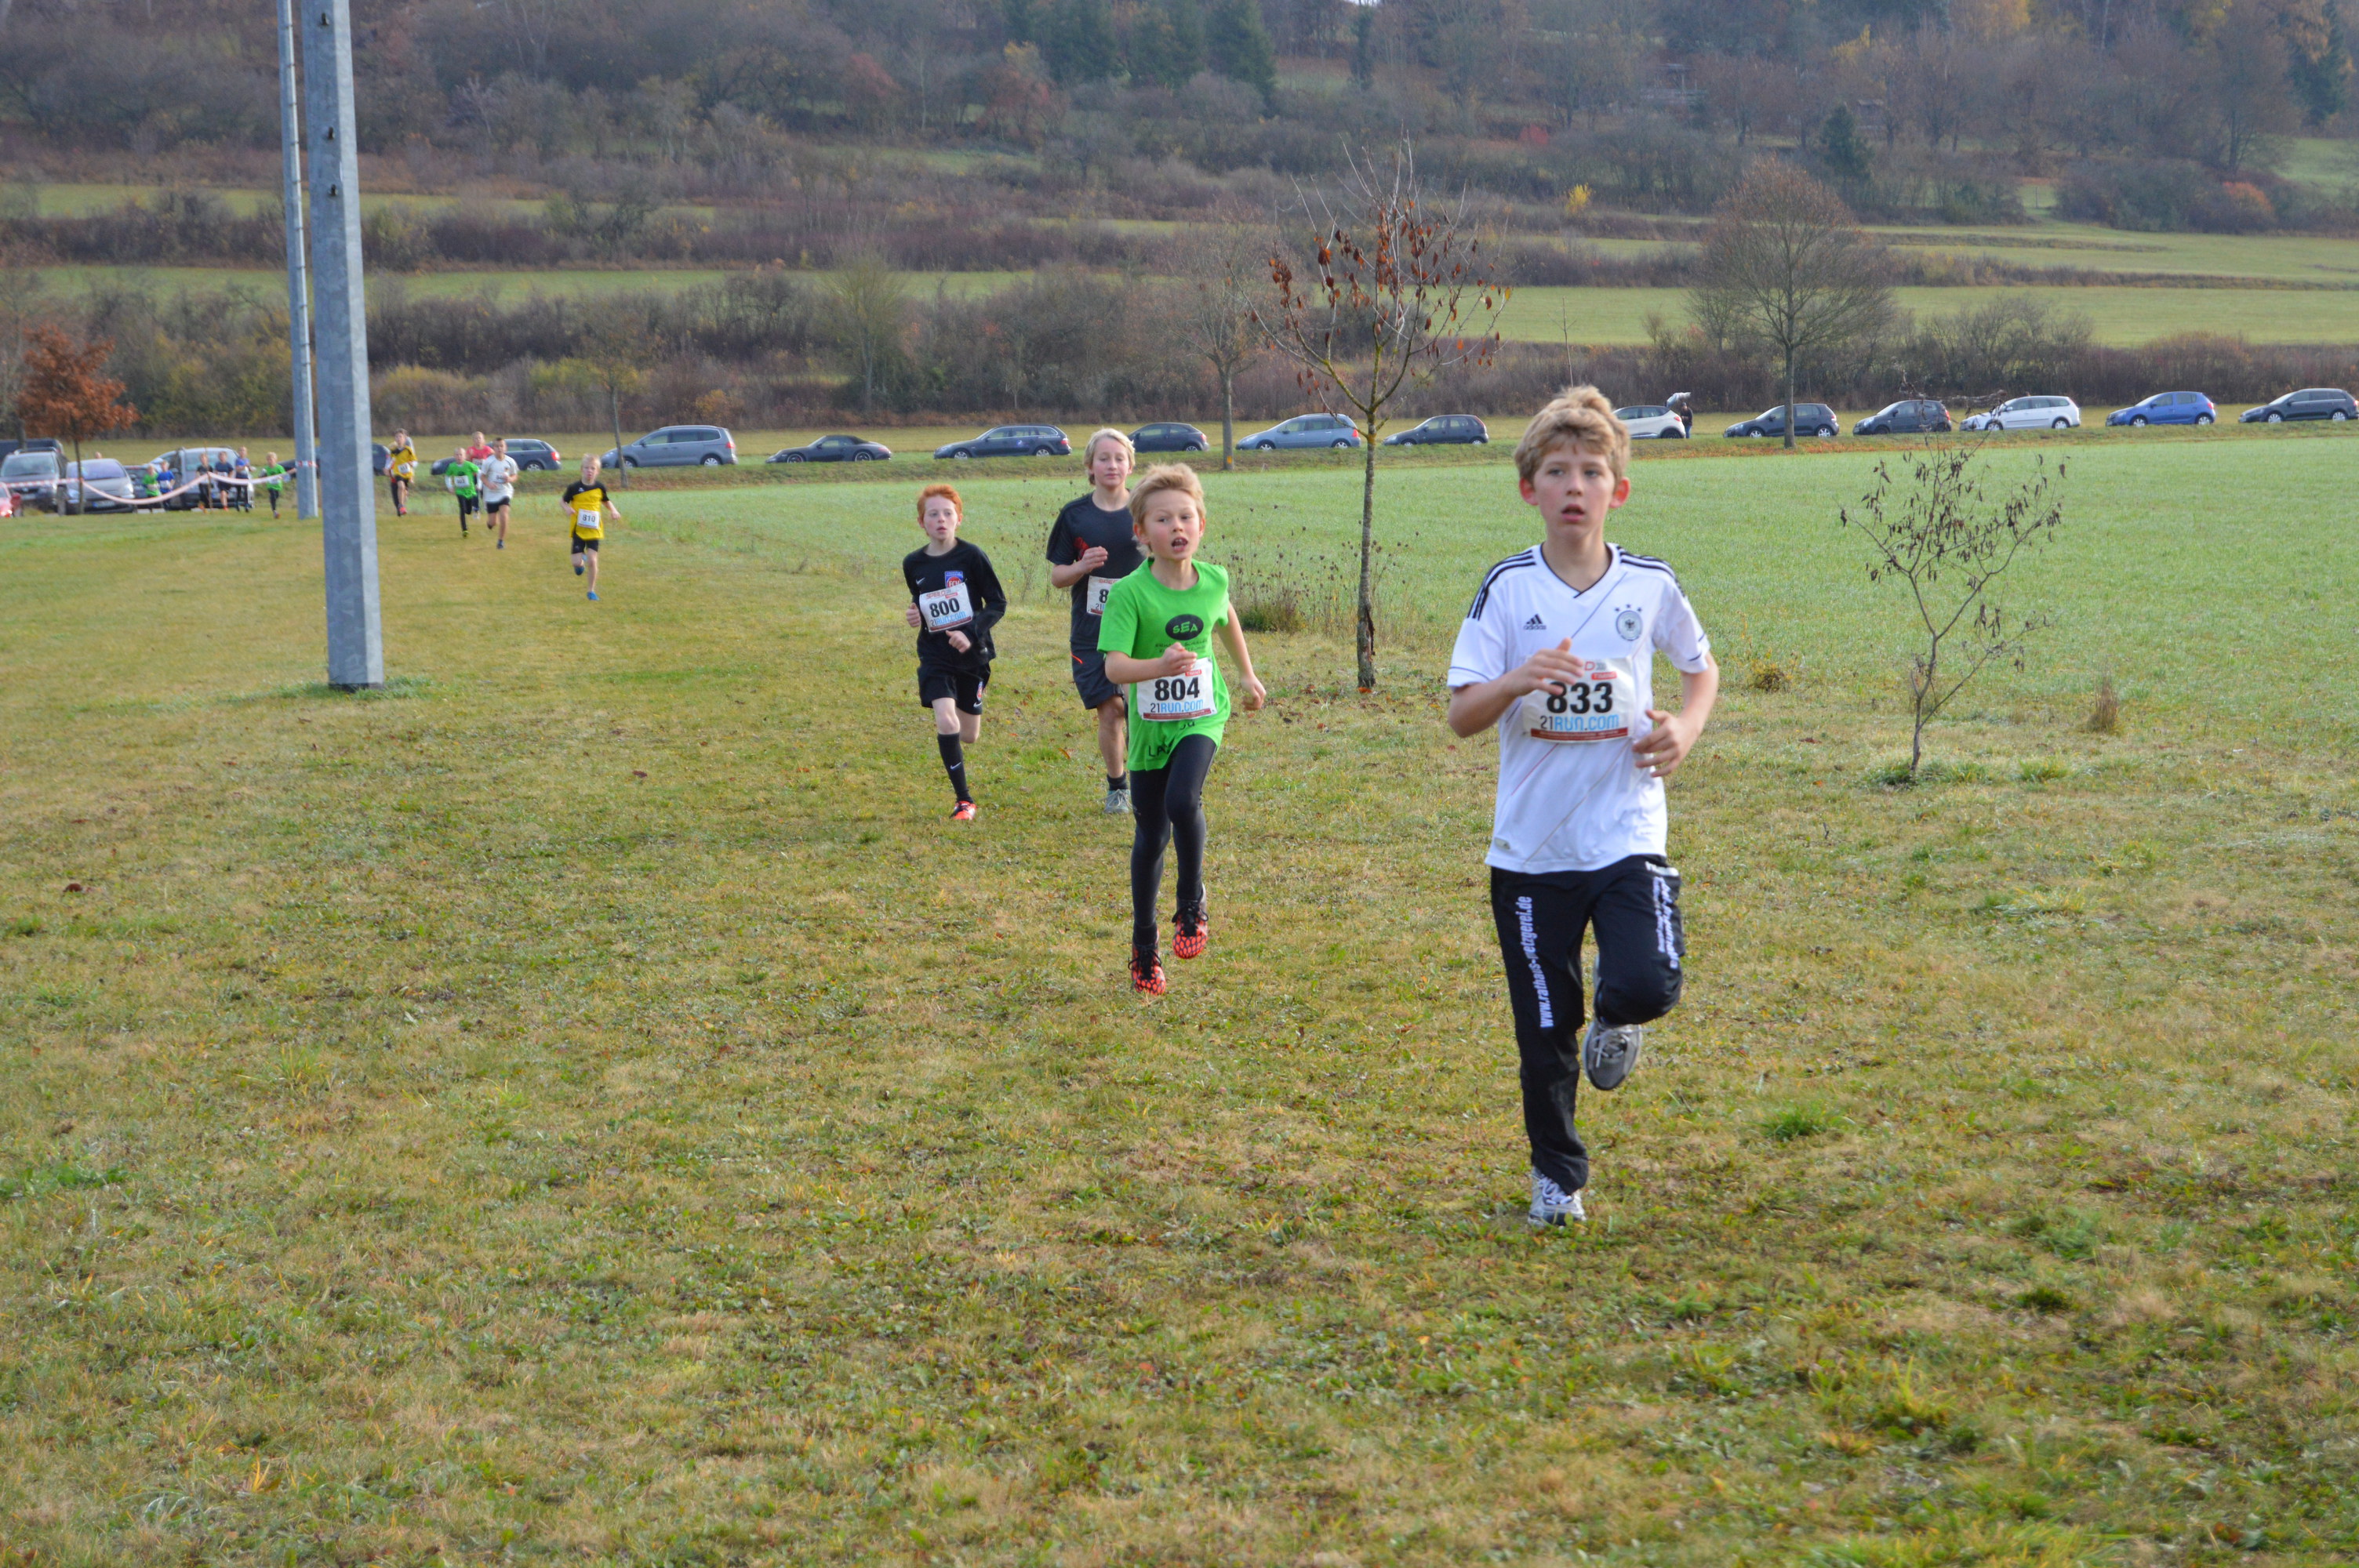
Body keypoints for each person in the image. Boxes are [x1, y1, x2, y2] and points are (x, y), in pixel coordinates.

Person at [1443, 387, 1720, 1229]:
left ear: (1617, 491)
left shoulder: (1649, 584)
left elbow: (1700, 669)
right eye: (1557, 471)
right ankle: (1556, 1179)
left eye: (1592, 471)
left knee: (1647, 980)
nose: (1575, 485)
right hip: (1530, 852)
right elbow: (1461, 715)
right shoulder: (1507, 589)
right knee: (1544, 1028)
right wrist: (1517, 680)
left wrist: (1685, 728)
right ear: (1528, 488)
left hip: (1627, 829)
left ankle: (1619, 1017)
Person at [1099, 464, 1266, 996]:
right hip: (1150, 726)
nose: (1177, 526)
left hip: (1202, 714)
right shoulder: (1130, 594)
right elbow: (1114, 667)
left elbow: (1225, 615)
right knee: (1151, 836)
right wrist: (1159, 666)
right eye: (1163, 518)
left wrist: (1246, 674)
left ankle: (1191, 903)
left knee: (1182, 799)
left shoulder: (1214, 579)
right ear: (1141, 532)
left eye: (1187, 517)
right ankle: (1144, 945)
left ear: (1201, 525)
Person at [1046, 427, 1145, 815]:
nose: (1112, 465)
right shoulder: (1074, 516)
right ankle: (1118, 788)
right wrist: (1081, 567)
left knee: (1138, 710)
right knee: (1111, 709)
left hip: (1140, 629)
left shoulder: (1145, 509)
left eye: (1120, 458)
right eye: (1104, 458)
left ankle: (1149, 781)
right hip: (1092, 631)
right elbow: (1057, 577)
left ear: (1130, 465)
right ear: (1090, 466)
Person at [900, 484, 1005, 822]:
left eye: (948, 513)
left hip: (972, 657)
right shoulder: (912, 563)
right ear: (922, 522)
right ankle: (964, 801)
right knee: (946, 720)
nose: (941, 519)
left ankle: (959, 729)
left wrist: (970, 633)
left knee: (968, 734)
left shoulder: (972, 556)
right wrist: (915, 613)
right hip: (934, 656)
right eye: (933, 514)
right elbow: (921, 600)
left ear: (959, 518)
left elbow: (997, 603)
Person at [561, 454, 620, 601]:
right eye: (587, 468)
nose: (589, 471)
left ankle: (591, 591)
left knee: (593, 561)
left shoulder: (600, 487)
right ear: (582, 469)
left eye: (593, 468)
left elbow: (606, 501)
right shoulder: (574, 488)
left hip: (594, 530)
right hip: (578, 530)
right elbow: (562, 501)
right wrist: (567, 508)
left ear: (597, 471)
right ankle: (580, 564)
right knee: (576, 562)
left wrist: (613, 511)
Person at [478, 437, 518, 549]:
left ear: (505, 448)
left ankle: (500, 542)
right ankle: (490, 524)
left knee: (504, 515)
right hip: (491, 494)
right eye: (497, 446)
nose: (499, 448)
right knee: (493, 522)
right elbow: (482, 476)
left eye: (501, 446)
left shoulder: (510, 461)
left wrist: (510, 479)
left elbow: (515, 475)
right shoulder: (488, 462)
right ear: (493, 448)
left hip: (505, 492)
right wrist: (488, 484)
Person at [445, 445, 480, 536]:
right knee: (462, 509)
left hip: (470, 491)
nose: (459, 457)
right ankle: (464, 530)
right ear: (454, 456)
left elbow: (479, 472)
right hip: (460, 491)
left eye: (461, 455)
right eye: (457, 455)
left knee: (468, 511)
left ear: (465, 456)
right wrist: (450, 486)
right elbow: (447, 476)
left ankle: (473, 509)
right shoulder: (452, 466)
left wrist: (479, 484)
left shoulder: (469, 465)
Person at [386, 430, 417, 517]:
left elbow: (415, 461)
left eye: (400, 437)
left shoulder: (408, 450)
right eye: (397, 437)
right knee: (401, 487)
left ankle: (402, 506)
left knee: (405, 493)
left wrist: (412, 464)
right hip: (397, 473)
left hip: (406, 474)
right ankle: (401, 506)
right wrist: (387, 468)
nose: (399, 439)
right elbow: (390, 461)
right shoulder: (393, 451)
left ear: (405, 439)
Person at [260, 452, 288, 518]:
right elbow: (261, 476)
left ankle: (273, 504)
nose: (270, 461)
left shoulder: (279, 467)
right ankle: (274, 511)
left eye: (271, 459)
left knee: (276, 497)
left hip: (278, 486)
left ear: (275, 460)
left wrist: (280, 477)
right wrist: (263, 480)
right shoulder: (266, 468)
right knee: (273, 496)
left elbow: (284, 475)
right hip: (270, 486)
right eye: (268, 460)